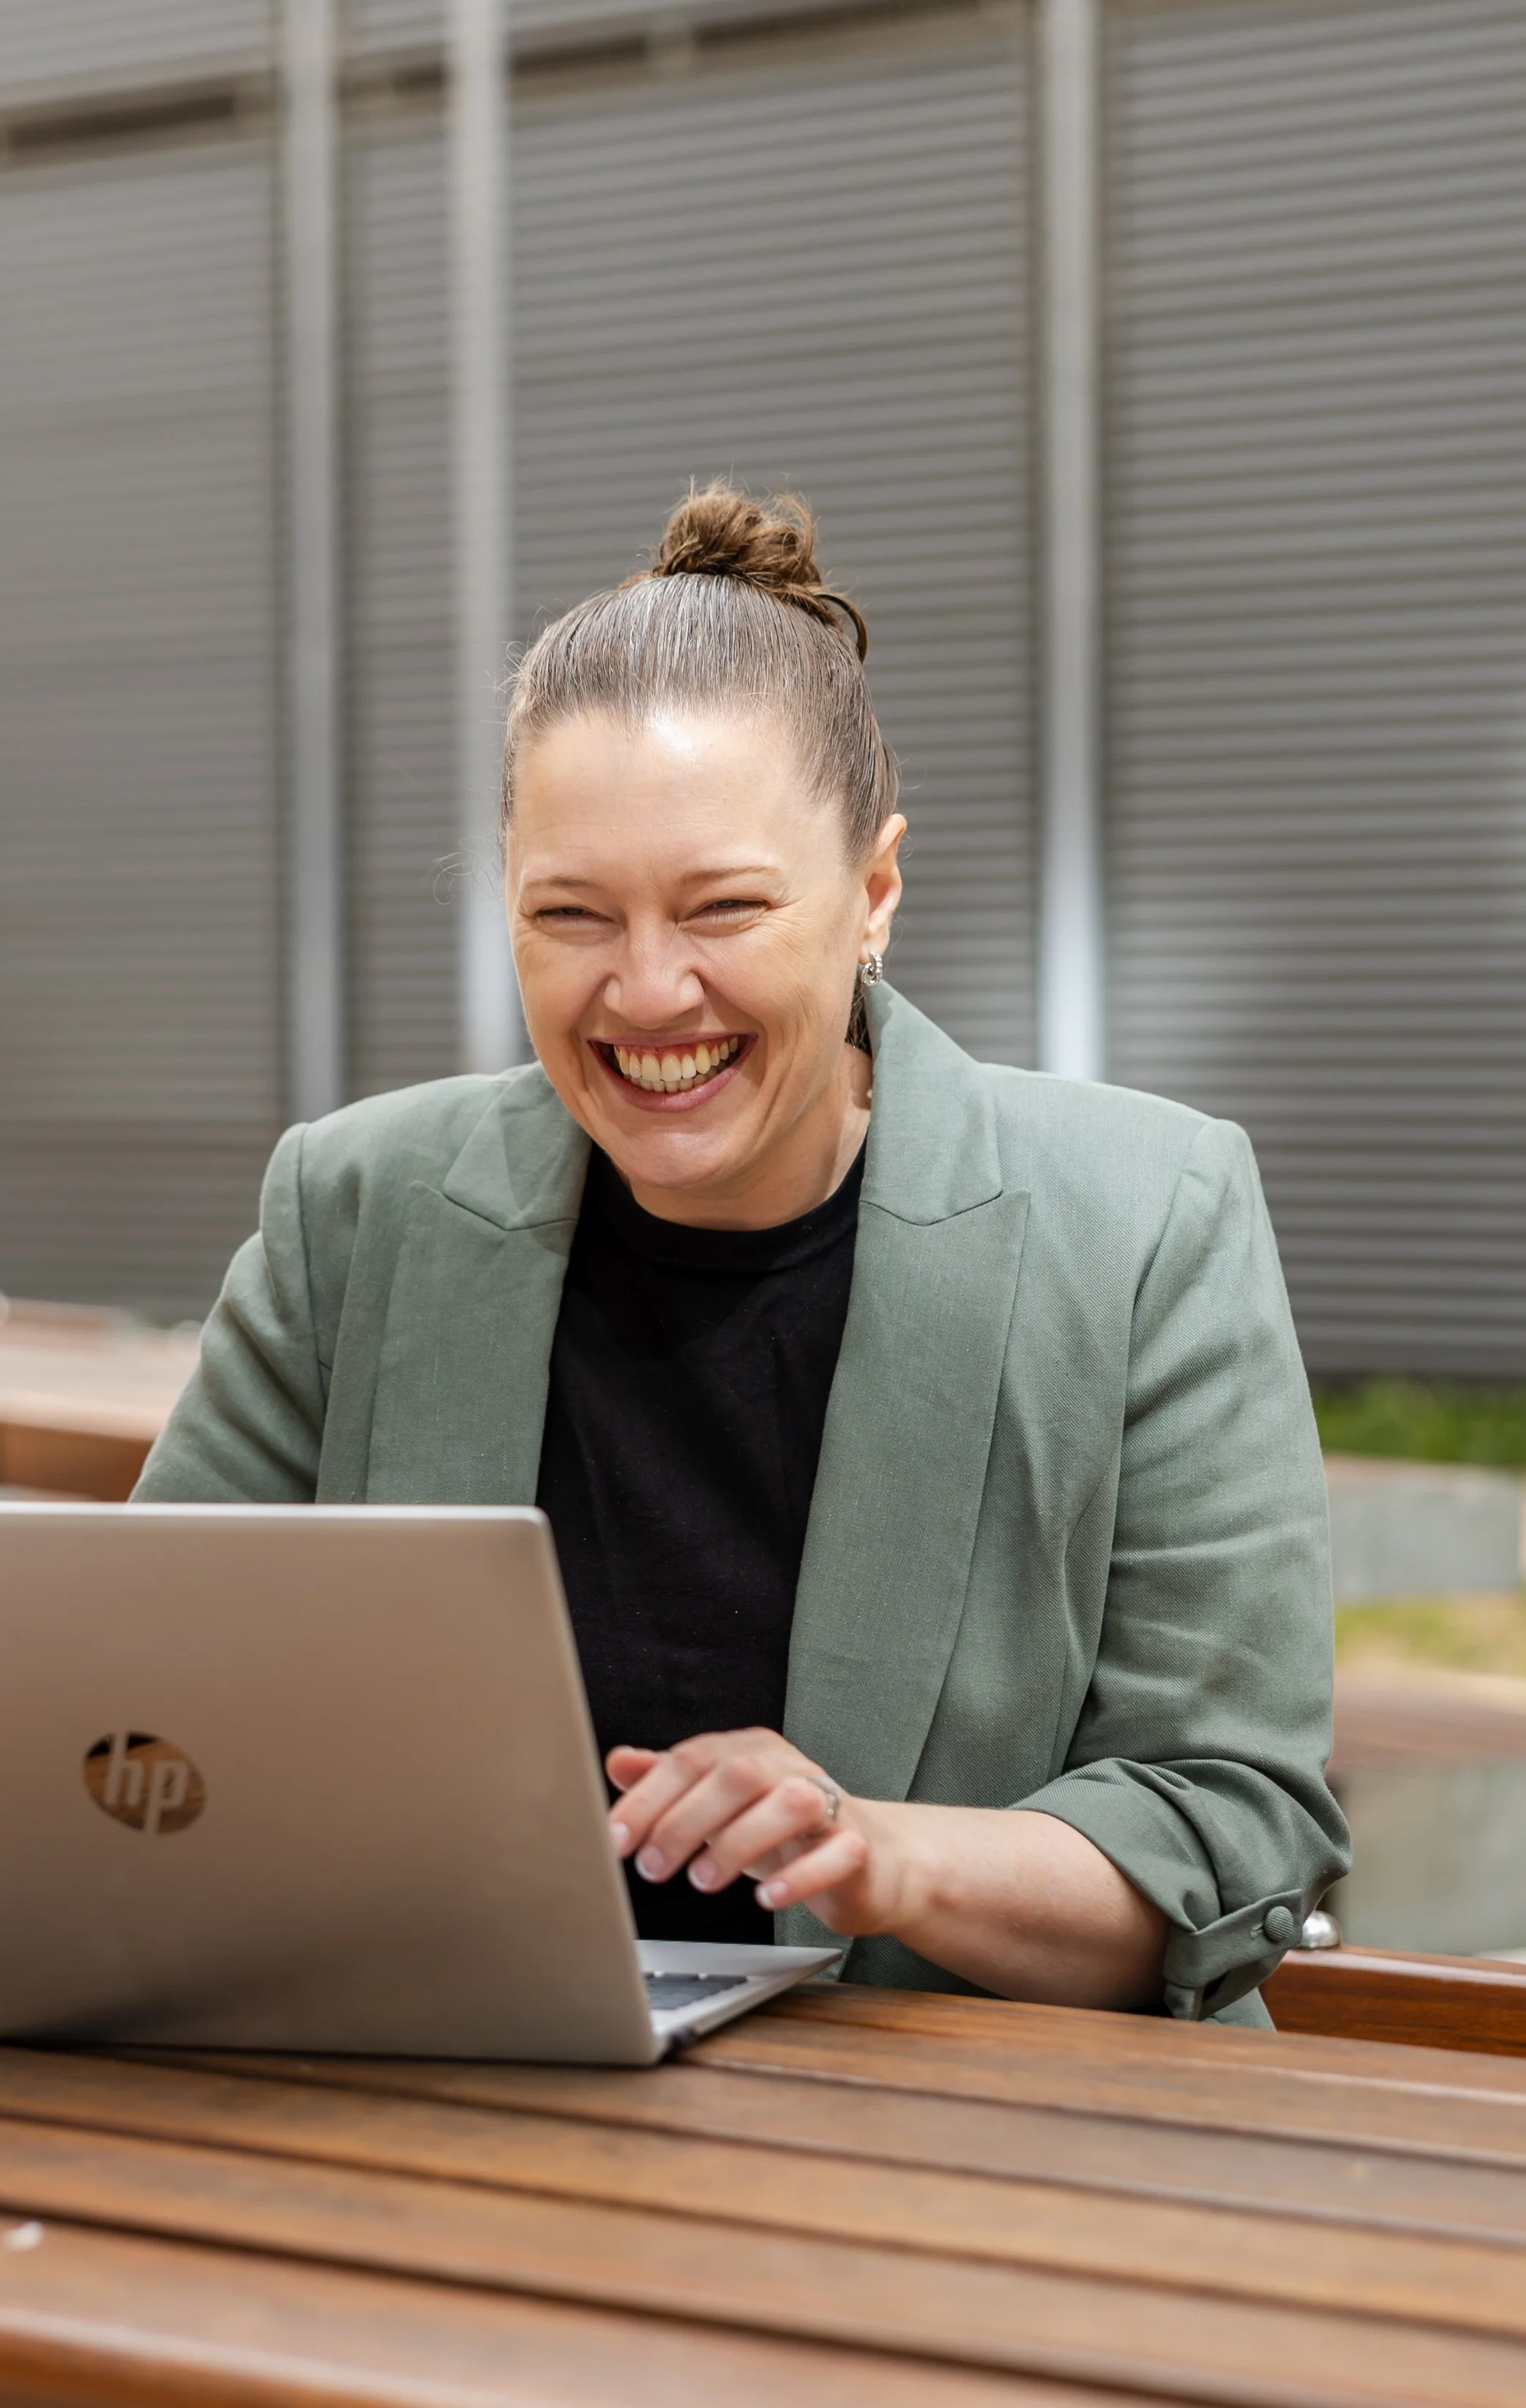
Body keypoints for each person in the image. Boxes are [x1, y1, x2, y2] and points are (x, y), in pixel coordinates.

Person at [136, 483, 1347, 2024]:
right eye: (569, 914)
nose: (647, 993)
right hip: (455, 2105)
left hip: (984, 2165)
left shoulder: (1145, 1217)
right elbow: (148, 1702)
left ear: (874, 898)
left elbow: (1230, 1832)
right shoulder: (356, 1207)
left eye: (724, 909)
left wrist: (876, 1857)